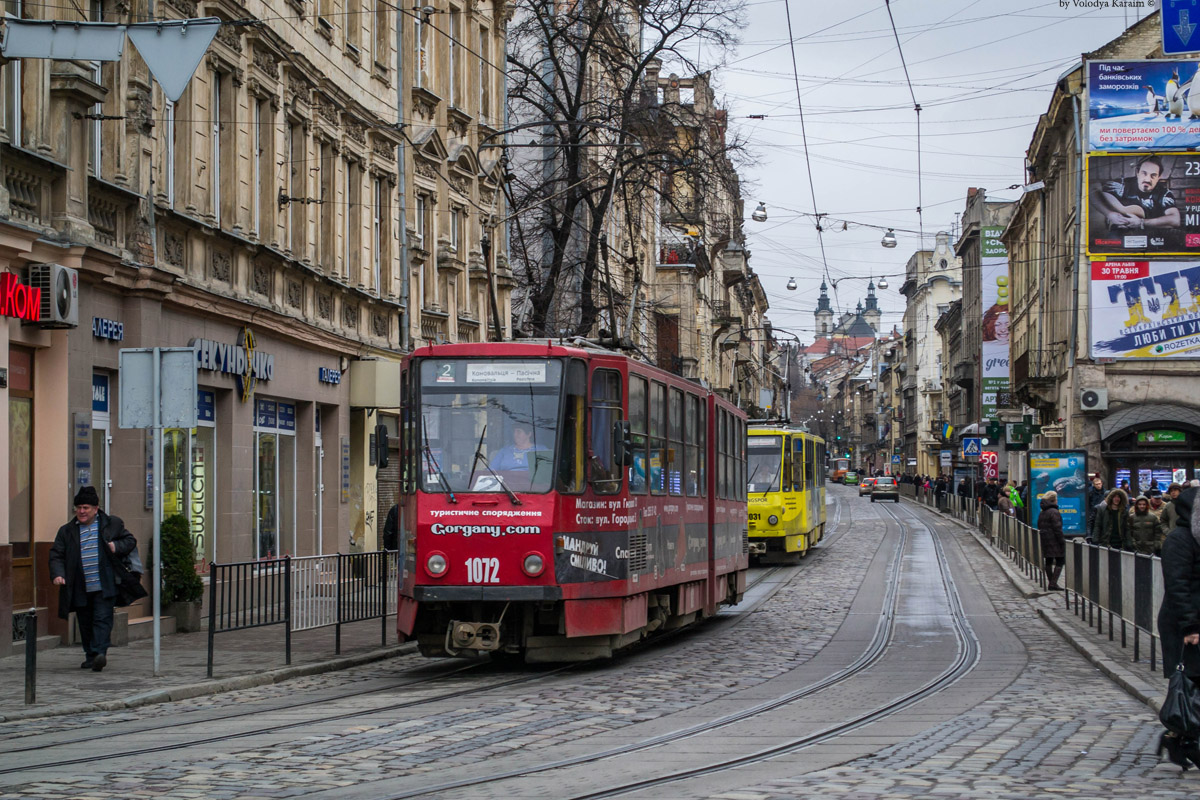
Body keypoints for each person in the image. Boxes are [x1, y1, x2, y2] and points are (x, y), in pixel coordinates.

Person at [48, 486, 137, 672]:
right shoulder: (66, 531)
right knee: (85, 621)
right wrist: (58, 574)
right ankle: (90, 656)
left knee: (102, 619)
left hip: (105, 583)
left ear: (95, 509)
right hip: (80, 584)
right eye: (78, 507)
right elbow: (56, 554)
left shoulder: (112, 524)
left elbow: (130, 541)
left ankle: (99, 653)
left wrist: (115, 546)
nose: (81, 511)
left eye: (86, 507)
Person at [1156, 484, 1200, 769]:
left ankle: (1176, 737)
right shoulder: (1180, 540)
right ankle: (1185, 739)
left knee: (1193, 687)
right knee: (1188, 685)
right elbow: (1178, 586)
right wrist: (1190, 627)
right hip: (1184, 626)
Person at [1094, 154, 1181, 235]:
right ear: (1137, 172)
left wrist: (1141, 222)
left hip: (1149, 237)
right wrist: (1109, 214)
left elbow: (1175, 220)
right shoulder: (1122, 185)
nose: (1147, 179)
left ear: (1159, 177)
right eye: (1144, 173)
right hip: (1116, 235)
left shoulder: (1164, 193)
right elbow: (1092, 192)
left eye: (1153, 175)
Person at [1038, 490, 1066, 591]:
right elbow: (1057, 528)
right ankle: (1053, 583)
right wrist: (1062, 540)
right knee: (1060, 560)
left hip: (1045, 538)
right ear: (1053, 500)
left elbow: (1039, 525)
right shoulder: (1054, 512)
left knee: (1049, 560)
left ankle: (1051, 582)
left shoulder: (1043, 512)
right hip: (1054, 539)